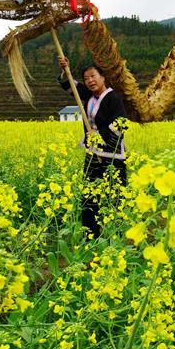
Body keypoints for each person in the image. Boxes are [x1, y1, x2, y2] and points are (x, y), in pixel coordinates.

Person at [58, 56, 127, 238]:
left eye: (93, 76)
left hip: (112, 156)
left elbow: (121, 123)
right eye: (86, 78)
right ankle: (90, 235)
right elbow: (69, 85)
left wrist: (98, 136)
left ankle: (117, 237)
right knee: (89, 195)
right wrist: (65, 68)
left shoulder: (114, 98)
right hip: (92, 153)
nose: (89, 81)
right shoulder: (87, 95)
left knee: (115, 195)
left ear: (103, 77)